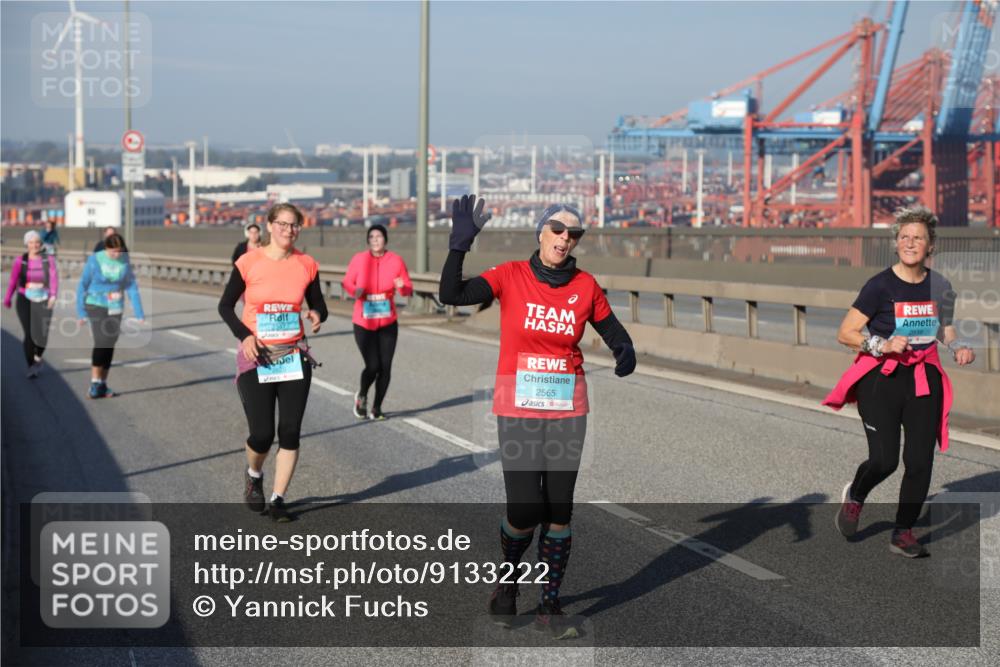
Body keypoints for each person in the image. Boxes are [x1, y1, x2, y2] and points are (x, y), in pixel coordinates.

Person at [439, 196, 636, 639]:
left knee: (559, 508)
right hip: (518, 405)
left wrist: (625, 349)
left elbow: (612, 328)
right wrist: (459, 247)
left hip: (568, 406)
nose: (565, 239)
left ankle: (549, 605)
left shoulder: (585, 286)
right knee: (526, 507)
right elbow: (450, 294)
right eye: (558, 230)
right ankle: (507, 582)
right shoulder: (510, 275)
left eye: (574, 234)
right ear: (541, 233)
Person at [824, 206, 975, 558]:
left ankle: (903, 532)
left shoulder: (941, 286)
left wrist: (956, 346)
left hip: (923, 379)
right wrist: (882, 344)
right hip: (881, 380)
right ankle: (856, 495)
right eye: (904, 237)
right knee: (884, 461)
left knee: (921, 462)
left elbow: (943, 326)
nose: (910, 243)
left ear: (930, 246)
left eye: (918, 238)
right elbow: (845, 332)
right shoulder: (879, 286)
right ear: (896, 244)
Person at [218, 203, 328, 523]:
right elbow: (225, 306)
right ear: (269, 226)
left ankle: (279, 500)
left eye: (294, 225)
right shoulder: (248, 262)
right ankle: (254, 474)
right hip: (257, 355)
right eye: (282, 224)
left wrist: (317, 314)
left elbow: (318, 302)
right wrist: (245, 336)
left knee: (290, 430)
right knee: (263, 433)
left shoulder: (306, 264)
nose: (288, 230)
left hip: (293, 354)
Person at [342, 224, 413, 420]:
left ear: (385, 239)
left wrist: (402, 287)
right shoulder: (359, 259)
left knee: (386, 367)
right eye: (371, 237)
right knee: (373, 366)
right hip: (364, 322)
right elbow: (347, 281)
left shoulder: (396, 260)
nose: (375, 239)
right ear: (368, 241)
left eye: (379, 236)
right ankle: (362, 395)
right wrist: (354, 290)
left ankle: (377, 408)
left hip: (388, 321)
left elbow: (407, 287)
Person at [76, 233, 144, 398]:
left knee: (110, 343)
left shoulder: (124, 261)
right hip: (95, 303)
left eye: (119, 251)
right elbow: (82, 285)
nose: (116, 255)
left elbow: (131, 287)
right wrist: (81, 312)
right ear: (106, 248)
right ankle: (94, 382)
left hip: (115, 306)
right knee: (101, 341)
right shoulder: (95, 260)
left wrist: (139, 312)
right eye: (113, 252)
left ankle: (103, 384)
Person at [4, 230, 58, 377]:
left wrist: (53, 296)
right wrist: (8, 298)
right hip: (24, 298)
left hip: (44, 299)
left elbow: (54, 279)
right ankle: (31, 365)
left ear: (41, 244)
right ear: (26, 244)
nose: (34, 245)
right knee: (29, 333)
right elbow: (13, 281)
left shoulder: (48, 260)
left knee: (42, 334)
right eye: (31, 242)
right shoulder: (20, 261)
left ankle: (38, 357)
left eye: (37, 242)